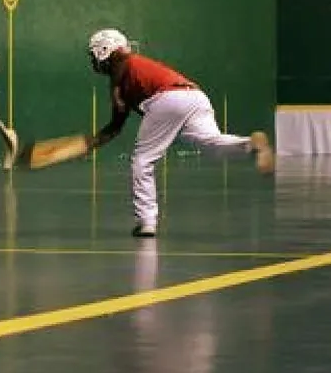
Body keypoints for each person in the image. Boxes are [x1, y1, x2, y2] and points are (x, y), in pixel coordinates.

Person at [84, 29, 274, 237]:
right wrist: (91, 143)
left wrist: (94, 138)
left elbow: (119, 62)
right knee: (212, 144)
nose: (93, 60)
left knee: (142, 161)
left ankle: (146, 222)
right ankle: (250, 144)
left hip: (167, 99)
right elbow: (115, 126)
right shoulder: (126, 75)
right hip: (195, 96)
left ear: (105, 50)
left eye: (94, 54)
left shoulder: (122, 65)